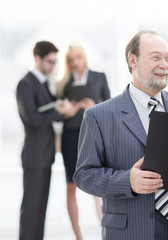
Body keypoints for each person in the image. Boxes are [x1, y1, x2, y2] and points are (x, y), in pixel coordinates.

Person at [73, 30, 168, 240]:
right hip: (131, 230)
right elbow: (84, 175)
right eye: (156, 57)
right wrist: (127, 181)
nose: (164, 65)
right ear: (133, 60)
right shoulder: (99, 115)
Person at [16, 41, 78, 240]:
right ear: (37, 59)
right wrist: (60, 113)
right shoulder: (25, 84)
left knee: (40, 209)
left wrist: (63, 111)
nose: (53, 66)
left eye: (55, 62)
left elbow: (50, 111)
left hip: (45, 155)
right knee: (31, 210)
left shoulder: (43, 83)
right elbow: (32, 120)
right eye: (49, 61)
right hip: (34, 156)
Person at [57, 45, 111, 240]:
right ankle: (78, 236)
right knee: (71, 185)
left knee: (98, 183)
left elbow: (110, 106)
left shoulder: (99, 77)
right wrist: (66, 110)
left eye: (78, 57)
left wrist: (95, 106)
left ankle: (106, 230)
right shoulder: (63, 83)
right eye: (71, 60)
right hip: (70, 135)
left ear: (84, 57)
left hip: (93, 134)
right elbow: (57, 111)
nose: (75, 63)